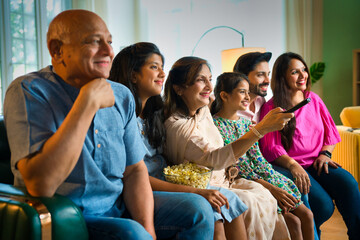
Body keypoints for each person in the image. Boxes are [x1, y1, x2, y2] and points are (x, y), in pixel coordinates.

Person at [3, 10, 215, 240]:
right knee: (130, 232)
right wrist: (86, 103)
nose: (109, 51)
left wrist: (149, 230)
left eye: (110, 42)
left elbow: (134, 171)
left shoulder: (121, 94)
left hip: (118, 203)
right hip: (72, 215)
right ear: (57, 50)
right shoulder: (29, 91)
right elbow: (40, 185)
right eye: (94, 42)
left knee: (198, 210)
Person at [108, 42, 248, 240]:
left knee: (230, 199)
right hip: (143, 190)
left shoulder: (152, 117)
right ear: (133, 75)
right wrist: (195, 191)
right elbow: (134, 176)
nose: (163, 74)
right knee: (208, 207)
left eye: (162, 68)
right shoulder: (122, 118)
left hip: (165, 182)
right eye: (154, 67)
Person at [163, 56, 295, 240]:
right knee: (248, 200)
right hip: (205, 185)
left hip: (227, 178)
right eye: (201, 80)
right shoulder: (177, 126)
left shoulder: (202, 111)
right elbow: (215, 159)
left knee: (265, 195)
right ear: (178, 88)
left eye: (210, 79)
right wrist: (261, 128)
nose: (209, 87)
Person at [259, 52, 360, 239]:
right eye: (295, 72)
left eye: (304, 70)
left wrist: (325, 155)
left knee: (349, 184)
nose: (303, 75)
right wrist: (293, 165)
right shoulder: (271, 108)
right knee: (323, 206)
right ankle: (313, 233)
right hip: (290, 166)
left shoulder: (313, 99)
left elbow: (331, 133)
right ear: (282, 77)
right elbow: (271, 147)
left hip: (318, 162)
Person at [211, 72, 314, 240]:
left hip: (266, 176)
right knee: (294, 222)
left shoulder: (247, 124)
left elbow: (259, 161)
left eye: (248, 91)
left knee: (307, 215)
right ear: (224, 95)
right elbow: (236, 167)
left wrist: (276, 182)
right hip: (247, 181)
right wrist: (271, 188)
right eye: (242, 91)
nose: (247, 96)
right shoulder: (215, 126)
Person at [233, 52, 272, 123]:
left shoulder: (261, 101)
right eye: (260, 75)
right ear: (243, 77)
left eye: (268, 74)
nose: (268, 81)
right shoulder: (230, 107)